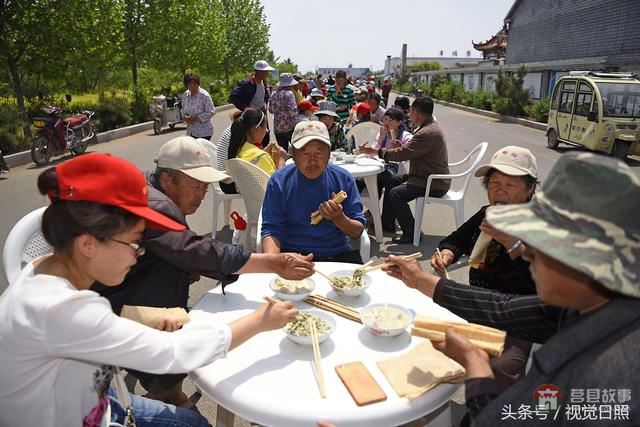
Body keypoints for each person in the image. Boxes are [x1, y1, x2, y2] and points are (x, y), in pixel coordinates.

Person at [0, 153, 299, 427]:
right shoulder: (60, 310)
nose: (138, 254)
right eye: (134, 243)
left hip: (96, 399)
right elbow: (173, 353)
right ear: (88, 244)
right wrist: (261, 320)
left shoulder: (43, 270)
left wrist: (140, 320)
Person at [383, 152, 640, 426]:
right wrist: (420, 279)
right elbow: (502, 308)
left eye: (542, 246)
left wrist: (475, 365)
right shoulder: (589, 305)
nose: (526, 254)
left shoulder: (611, 374)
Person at [93, 137, 314, 407]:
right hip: (114, 308)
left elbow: (178, 249)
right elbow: (196, 251)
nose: (201, 194)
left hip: (114, 292)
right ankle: (168, 395)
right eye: (194, 185)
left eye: (205, 186)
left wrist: (188, 265)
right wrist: (273, 262)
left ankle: (166, 394)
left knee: (178, 273)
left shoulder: (149, 188)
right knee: (189, 331)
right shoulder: (157, 205)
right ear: (166, 180)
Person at [432, 146, 538, 295]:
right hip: (477, 299)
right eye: (494, 182)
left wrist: (512, 243)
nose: (500, 190)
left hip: (514, 310)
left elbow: (544, 282)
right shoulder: (486, 214)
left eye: (510, 184)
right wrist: (447, 253)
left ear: (530, 189)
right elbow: (456, 240)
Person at [261, 121, 366, 264]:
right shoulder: (279, 181)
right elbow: (272, 230)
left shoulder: (343, 179)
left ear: (329, 153)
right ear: (293, 155)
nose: (312, 161)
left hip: (336, 255)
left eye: (319, 152)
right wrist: (275, 263)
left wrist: (339, 218)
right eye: (304, 153)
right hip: (292, 254)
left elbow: (357, 232)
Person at [359, 96, 449, 244]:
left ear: (417, 112)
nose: (409, 115)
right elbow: (410, 150)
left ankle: (412, 232)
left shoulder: (427, 132)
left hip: (432, 182)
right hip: (423, 175)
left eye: (411, 112)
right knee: (392, 180)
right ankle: (387, 223)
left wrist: (377, 151)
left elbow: (404, 153)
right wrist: (399, 147)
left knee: (396, 194)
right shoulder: (429, 127)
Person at [227, 108, 287, 176]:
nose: (267, 131)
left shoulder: (238, 148)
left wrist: (265, 150)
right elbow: (276, 182)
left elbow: (254, 160)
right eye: (265, 128)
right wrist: (281, 160)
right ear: (257, 129)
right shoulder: (261, 157)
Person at [229, 59, 274, 147]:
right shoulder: (247, 84)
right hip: (252, 117)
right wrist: (245, 108)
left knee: (265, 138)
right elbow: (233, 96)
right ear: (258, 72)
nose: (267, 74)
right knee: (252, 140)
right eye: (265, 71)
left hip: (262, 114)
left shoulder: (263, 83)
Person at [269, 73, 299, 151]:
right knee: (295, 150)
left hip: (278, 128)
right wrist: (298, 123)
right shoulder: (289, 94)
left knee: (282, 152)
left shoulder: (273, 94)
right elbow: (293, 111)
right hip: (289, 127)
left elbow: (271, 110)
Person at [181, 72, 215, 140]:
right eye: (189, 83)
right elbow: (183, 108)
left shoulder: (204, 95)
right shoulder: (186, 94)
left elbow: (211, 111)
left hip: (203, 132)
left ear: (198, 83)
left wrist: (196, 118)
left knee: (201, 150)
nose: (192, 85)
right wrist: (185, 117)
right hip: (191, 131)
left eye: (194, 83)